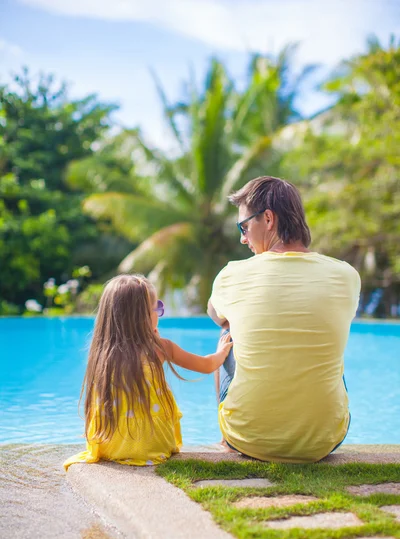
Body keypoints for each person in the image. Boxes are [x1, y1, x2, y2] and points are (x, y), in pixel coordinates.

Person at [207, 176, 361, 463]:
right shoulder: (346, 276)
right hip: (324, 440)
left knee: (227, 331)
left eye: (244, 226)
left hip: (248, 437)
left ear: (267, 219)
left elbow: (215, 315)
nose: (243, 238)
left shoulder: (233, 274)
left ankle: (226, 440)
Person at [64, 274, 232, 470]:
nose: (159, 314)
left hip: (110, 446)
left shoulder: (102, 353)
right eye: (157, 309)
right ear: (143, 317)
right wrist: (222, 352)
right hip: (153, 446)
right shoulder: (160, 348)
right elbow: (206, 365)